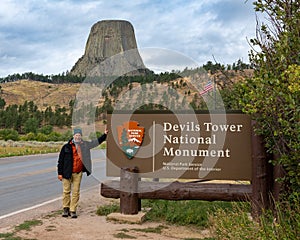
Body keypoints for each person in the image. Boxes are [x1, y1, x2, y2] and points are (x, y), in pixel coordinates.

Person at [57, 128, 108, 218]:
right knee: (66, 191)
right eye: (76, 135)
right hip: (66, 173)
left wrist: (105, 135)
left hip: (78, 172)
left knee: (76, 192)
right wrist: (60, 173)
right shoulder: (66, 147)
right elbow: (60, 161)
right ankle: (66, 209)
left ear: (81, 136)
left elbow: (95, 142)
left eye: (79, 135)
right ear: (73, 136)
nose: (77, 137)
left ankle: (73, 210)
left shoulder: (85, 145)